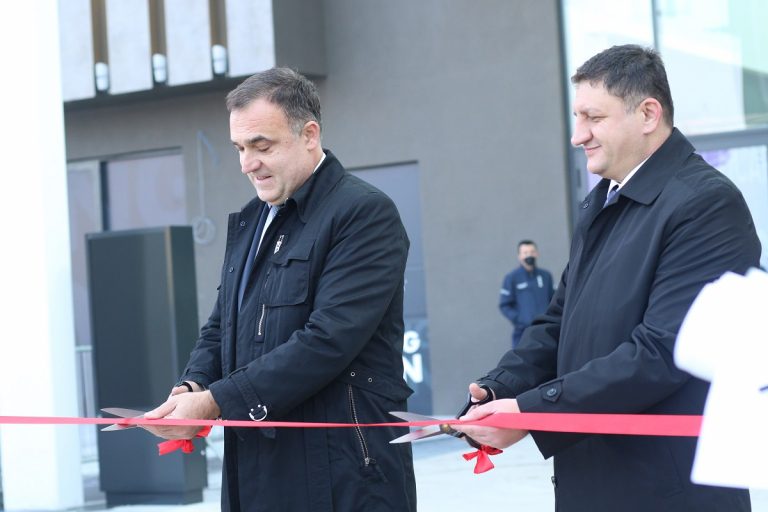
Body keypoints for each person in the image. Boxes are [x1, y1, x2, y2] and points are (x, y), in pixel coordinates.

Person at [453, 44, 760, 511]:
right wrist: (500, 388)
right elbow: (560, 322)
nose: (578, 136)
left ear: (648, 114)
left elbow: (663, 352)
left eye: (593, 118)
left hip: (668, 494)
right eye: (577, 118)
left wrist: (532, 413)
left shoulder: (705, 204)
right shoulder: (604, 202)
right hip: (594, 481)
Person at [142, 68, 417, 512]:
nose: (247, 163)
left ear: (309, 134)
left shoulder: (363, 213)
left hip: (342, 473)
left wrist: (215, 403)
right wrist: (191, 388)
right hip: (255, 467)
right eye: (239, 148)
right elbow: (221, 327)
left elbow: (328, 340)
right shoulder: (252, 219)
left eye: (261, 146)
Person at [499, 240, 555, 347]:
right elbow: (504, 305)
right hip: (523, 333)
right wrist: (520, 319)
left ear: (537, 253)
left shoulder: (546, 276)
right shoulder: (512, 278)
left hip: (545, 331)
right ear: (519, 256)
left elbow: (553, 300)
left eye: (532, 251)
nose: (529, 255)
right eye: (525, 253)